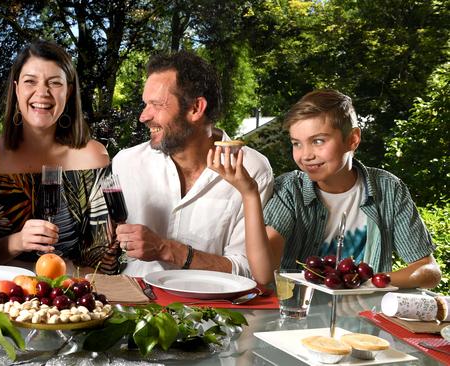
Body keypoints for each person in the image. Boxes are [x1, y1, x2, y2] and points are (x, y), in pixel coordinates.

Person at [210, 89, 441, 288]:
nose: (306, 155)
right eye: (296, 144)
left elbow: (429, 270)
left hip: (364, 321)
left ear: (352, 140)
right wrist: (249, 193)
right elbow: (262, 273)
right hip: (298, 315)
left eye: (318, 141)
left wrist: (370, 282)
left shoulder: (388, 189)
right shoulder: (291, 190)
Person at [112, 50, 274, 277]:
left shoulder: (252, 170)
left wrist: (166, 249)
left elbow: (249, 271)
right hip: (133, 305)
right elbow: (104, 252)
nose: (143, 116)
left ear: (196, 108)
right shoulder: (126, 163)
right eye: (145, 104)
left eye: (156, 105)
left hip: (212, 310)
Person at [0, 40, 117, 274]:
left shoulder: (94, 157)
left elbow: (104, 260)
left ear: (68, 92)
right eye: (30, 81)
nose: (42, 93)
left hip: (70, 294)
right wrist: (17, 242)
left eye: (54, 83)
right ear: (16, 89)